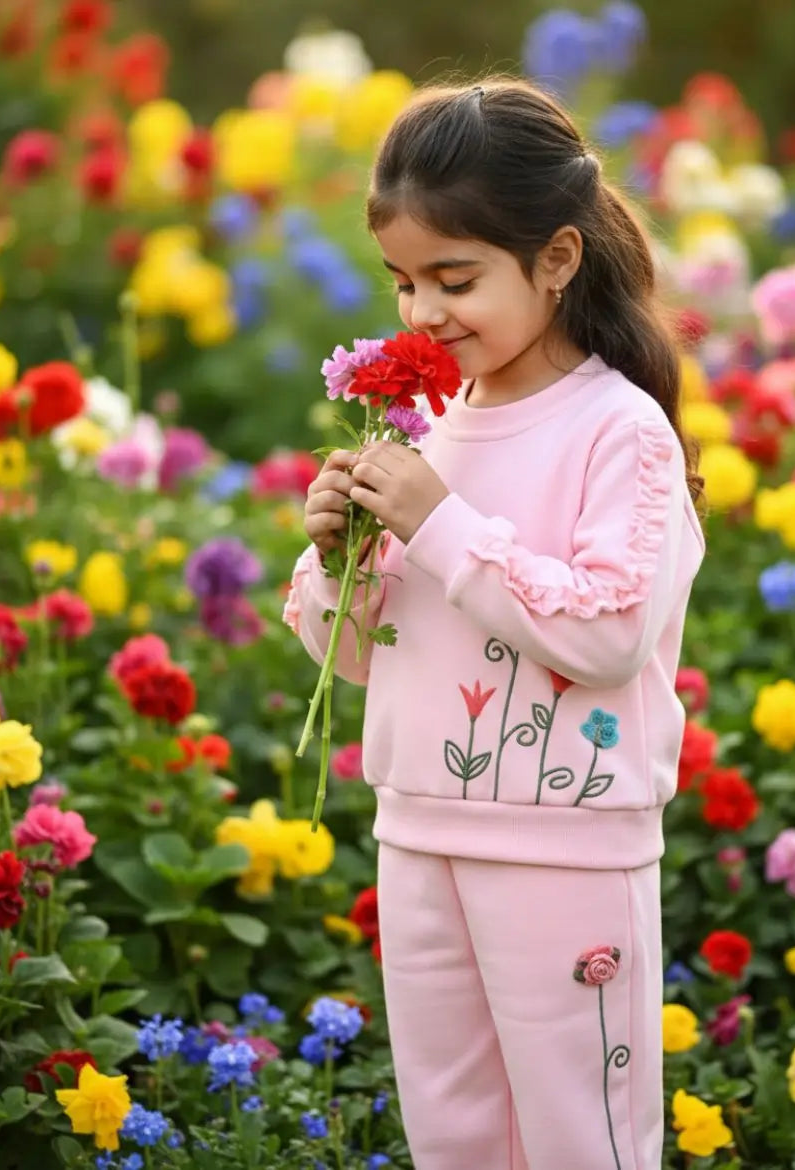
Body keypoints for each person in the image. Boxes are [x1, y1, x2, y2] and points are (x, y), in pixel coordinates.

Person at [285, 77, 706, 1170]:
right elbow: (367, 648)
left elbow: (609, 633)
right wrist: (338, 559)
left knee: (584, 1138)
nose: (423, 313)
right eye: (402, 283)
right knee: (455, 1134)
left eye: (454, 279)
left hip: (566, 849)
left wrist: (441, 523)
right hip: (419, 830)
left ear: (557, 259)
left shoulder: (622, 433)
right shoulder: (425, 429)